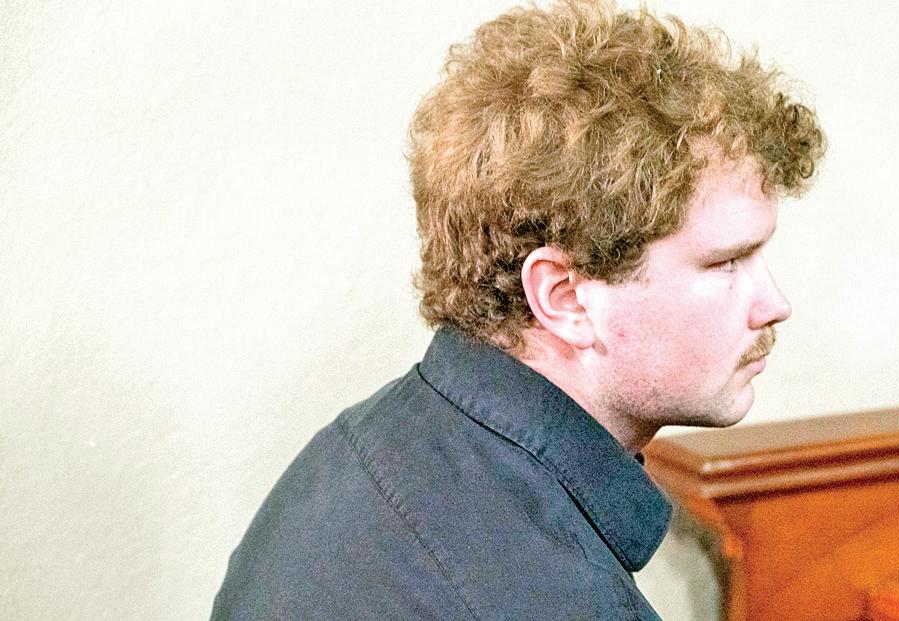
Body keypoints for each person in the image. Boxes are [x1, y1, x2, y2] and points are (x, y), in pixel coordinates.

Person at [211, 0, 823, 618]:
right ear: (565, 298)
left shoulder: (346, 460)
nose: (774, 305)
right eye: (725, 264)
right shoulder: (559, 598)